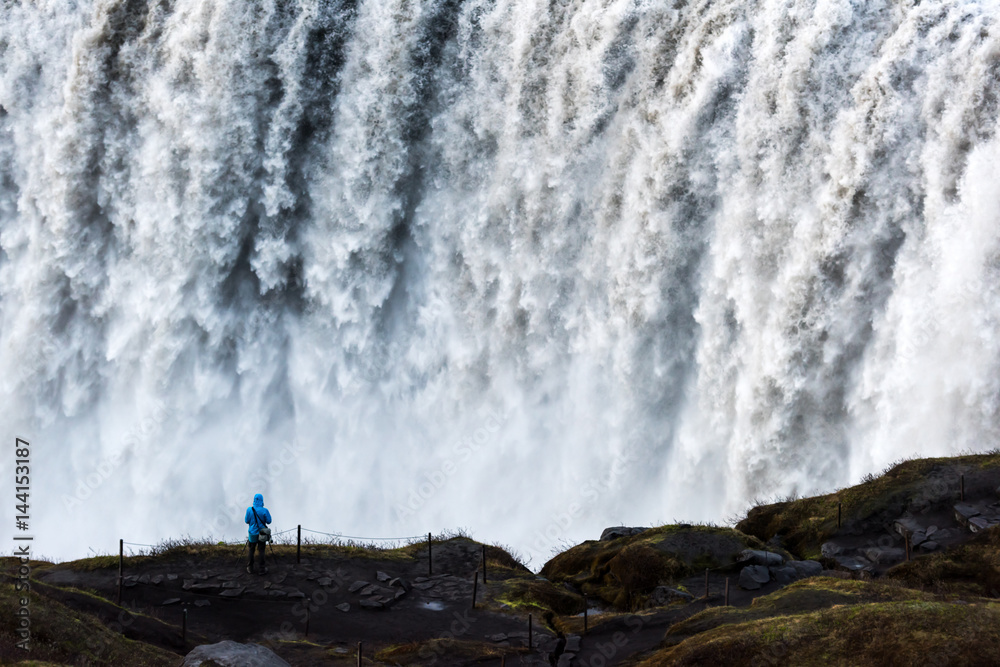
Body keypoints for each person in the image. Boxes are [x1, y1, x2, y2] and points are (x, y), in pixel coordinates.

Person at [244, 493, 272, 575]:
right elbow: (269, 521)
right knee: (261, 550)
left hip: (252, 533)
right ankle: (262, 569)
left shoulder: (249, 510)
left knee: (251, 550)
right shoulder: (264, 510)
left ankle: (250, 568)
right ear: (262, 501)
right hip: (262, 534)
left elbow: (246, 521)